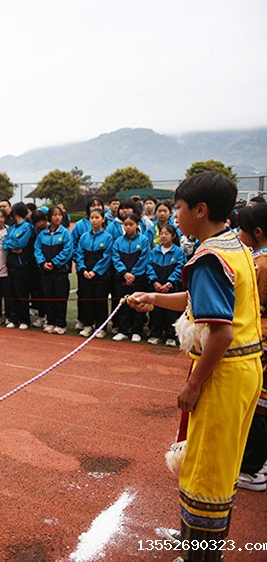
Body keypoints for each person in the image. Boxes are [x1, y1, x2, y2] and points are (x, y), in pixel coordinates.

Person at [129, 172, 261, 561]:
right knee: (217, 463)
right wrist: (154, 296)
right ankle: (195, 543)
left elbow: (219, 333)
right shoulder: (234, 246)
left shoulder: (209, 258)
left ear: (200, 211)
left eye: (181, 208)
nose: (174, 217)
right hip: (244, 371)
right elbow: (201, 300)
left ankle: (200, 554)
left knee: (208, 470)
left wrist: (194, 384)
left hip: (223, 374)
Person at [233, 203, 267, 492]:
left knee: (257, 408)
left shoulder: (260, 265)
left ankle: (253, 469)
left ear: (257, 232)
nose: (237, 234)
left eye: (241, 229)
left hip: (260, 343)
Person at [73, 208, 113, 338]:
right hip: (85, 275)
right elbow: (79, 254)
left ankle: (101, 327)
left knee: (100, 301)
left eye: (97, 217)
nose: (94, 220)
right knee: (86, 300)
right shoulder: (84, 236)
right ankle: (87, 325)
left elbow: (106, 257)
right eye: (92, 218)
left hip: (100, 276)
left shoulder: (107, 237)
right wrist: (84, 270)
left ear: (103, 219)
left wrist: (95, 271)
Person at [111, 213, 150, 342]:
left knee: (137, 304)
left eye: (131, 224)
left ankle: (137, 331)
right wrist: (124, 273)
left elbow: (144, 258)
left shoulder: (143, 240)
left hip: (138, 279)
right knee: (123, 304)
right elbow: (115, 258)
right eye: (125, 225)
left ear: (137, 225)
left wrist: (133, 273)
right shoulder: (118, 242)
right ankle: (123, 330)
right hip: (122, 278)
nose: (128, 227)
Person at [34, 206, 73, 335]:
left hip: (60, 271)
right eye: (55, 215)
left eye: (60, 215)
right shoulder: (42, 234)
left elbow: (67, 250)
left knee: (60, 298)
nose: (58, 217)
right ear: (49, 217)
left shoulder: (65, 233)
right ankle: (50, 322)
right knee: (48, 297)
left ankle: (61, 323)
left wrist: (54, 263)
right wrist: (43, 262)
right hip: (45, 271)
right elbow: (37, 249)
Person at [146, 225, 184, 346]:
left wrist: (169, 283)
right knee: (155, 311)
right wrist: (154, 282)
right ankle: (155, 333)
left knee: (170, 312)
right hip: (156, 285)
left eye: (166, 233)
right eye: (161, 233)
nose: (163, 236)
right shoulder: (154, 251)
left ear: (173, 236)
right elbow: (149, 266)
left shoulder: (178, 252)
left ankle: (171, 335)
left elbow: (180, 268)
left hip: (171, 287)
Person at [2, 202, 32, 330]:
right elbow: (5, 243)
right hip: (11, 264)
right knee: (12, 292)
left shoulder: (27, 227)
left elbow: (20, 244)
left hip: (21, 265)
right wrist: (11, 247)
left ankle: (24, 319)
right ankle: (13, 319)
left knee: (22, 292)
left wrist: (12, 246)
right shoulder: (13, 227)